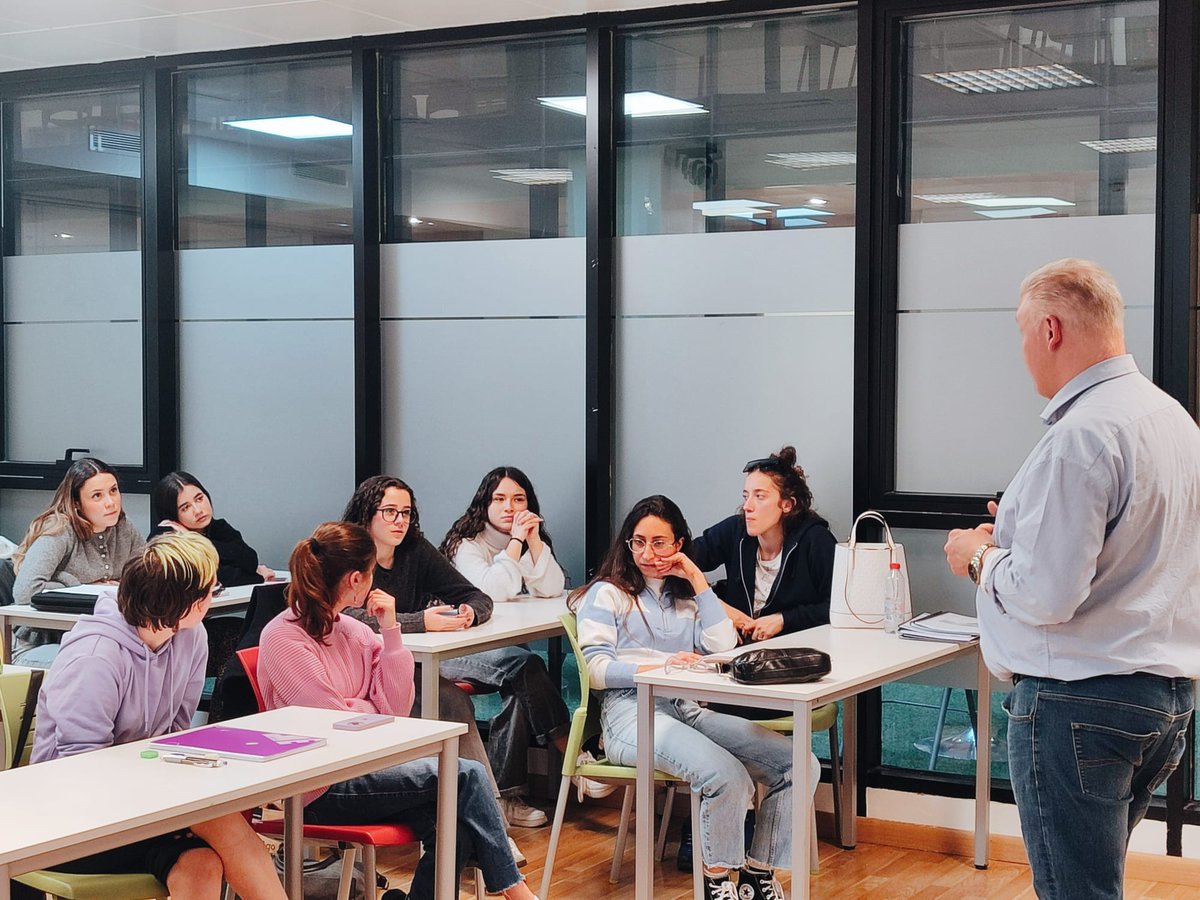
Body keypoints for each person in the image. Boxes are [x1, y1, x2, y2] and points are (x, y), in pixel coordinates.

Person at [943, 258, 1200, 900]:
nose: (1024, 350)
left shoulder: (1082, 434)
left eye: (1022, 332)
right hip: (1161, 704)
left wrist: (977, 558)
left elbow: (1048, 596)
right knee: (1091, 883)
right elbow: (1138, 549)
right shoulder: (1174, 421)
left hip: (1078, 703)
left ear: (1051, 329)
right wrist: (1024, 536)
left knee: (1075, 892)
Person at [255, 521, 538, 900]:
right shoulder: (284, 637)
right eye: (372, 573)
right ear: (357, 579)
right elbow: (331, 729)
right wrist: (364, 706)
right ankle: (514, 890)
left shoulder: (352, 630)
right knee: (464, 774)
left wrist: (390, 631)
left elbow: (396, 709)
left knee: (455, 824)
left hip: (365, 767)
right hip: (316, 787)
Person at [569, 494, 816, 900]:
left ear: (679, 544)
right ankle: (717, 883)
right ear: (627, 543)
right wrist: (662, 667)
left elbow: (721, 647)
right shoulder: (606, 593)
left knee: (798, 764)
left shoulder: (686, 595)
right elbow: (596, 671)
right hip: (630, 714)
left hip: (686, 708)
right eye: (639, 542)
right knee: (725, 775)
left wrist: (698, 580)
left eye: (660, 543)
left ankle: (756, 876)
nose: (648, 553)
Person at [23, 531, 287, 900]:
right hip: (65, 822)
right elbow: (78, 769)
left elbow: (175, 734)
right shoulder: (95, 657)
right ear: (183, 603)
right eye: (211, 588)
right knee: (220, 820)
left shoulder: (191, 637)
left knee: (202, 861)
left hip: (141, 803)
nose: (216, 595)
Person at [340, 476, 536, 848]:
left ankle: (489, 821)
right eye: (390, 512)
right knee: (447, 701)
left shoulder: (414, 550)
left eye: (406, 513)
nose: (400, 521)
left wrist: (468, 614)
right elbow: (343, 616)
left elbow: (477, 596)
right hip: (355, 679)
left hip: (405, 669)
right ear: (367, 515)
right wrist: (420, 621)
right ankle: (471, 826)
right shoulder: (348, 552)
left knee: (453, 701)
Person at [438, 467, 577, 816]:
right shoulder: (465, 545)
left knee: (520, 687)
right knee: (526, 665)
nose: (509, 507)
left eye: (518, 499)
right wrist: (516, 543)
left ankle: (507, 798)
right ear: (483, 504)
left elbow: (550, 588)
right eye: (498, 499)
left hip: (497, 651)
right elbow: (492, 592)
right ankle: (573, 757)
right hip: (453, 650)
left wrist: (533, 541)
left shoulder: (524, 540)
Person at [690, 446, 836, 643]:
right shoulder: (735, 531)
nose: (747, 506)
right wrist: (718, 607)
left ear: (787, 504)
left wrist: (784, 619)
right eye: (745, 496)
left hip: (797, 652)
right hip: (738, 653)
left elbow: (840, 607)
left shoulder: (815, 540)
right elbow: (681, 562)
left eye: (759, 496)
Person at [10, 457, 145, 666]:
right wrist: (78, 585)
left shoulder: (124, 528)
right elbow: (25, 591)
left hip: (100, 639)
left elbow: (148, 577)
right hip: (43, 643)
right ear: (77, 504)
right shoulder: (59, 529)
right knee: (101, 666)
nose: (111, 502)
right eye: (97, 496)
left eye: (114, 490)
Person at [151, 471, 275, 587]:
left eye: (199, 499)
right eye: (185, 508)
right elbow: (213, 577)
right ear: (172, 515)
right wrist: (257, 577)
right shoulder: (165, 538)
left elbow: (249, 560)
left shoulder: (217, 527)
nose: (198, 510)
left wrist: (195, 538)